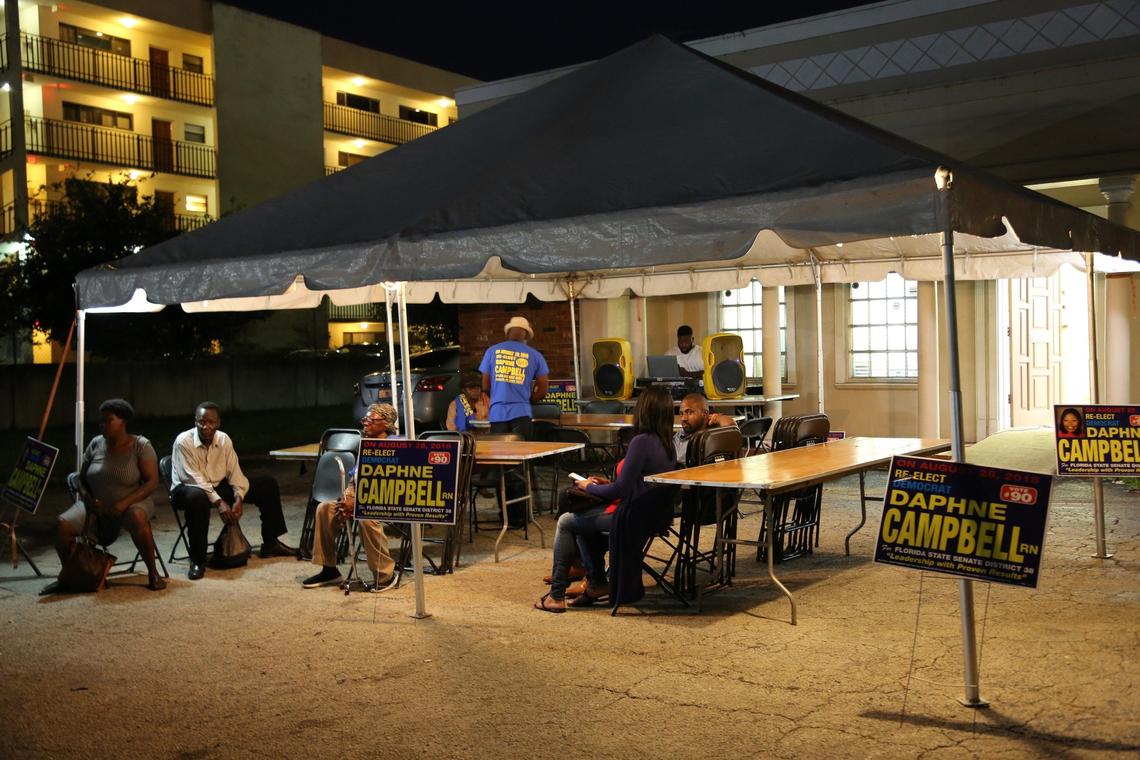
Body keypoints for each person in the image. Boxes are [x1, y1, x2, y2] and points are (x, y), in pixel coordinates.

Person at [534, 385, 677, 613]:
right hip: (650, 515)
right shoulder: (667, 443)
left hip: (630, 516)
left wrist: (588, 486)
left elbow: (620, 491)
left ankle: (556, 595)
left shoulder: (642, 442)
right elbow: (635, 484)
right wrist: (605, 484)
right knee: (581, 519)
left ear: (644, 410)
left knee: (567, 521)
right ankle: (597, 583)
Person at [41, 399, 165, 594]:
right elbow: (80, 479)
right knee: (62, 525)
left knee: (137, 517)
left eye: (108, 420)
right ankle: (75, 575)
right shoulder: (96, 443)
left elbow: (151, 482)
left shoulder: (140, 445)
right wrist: (88, 498)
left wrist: (123, 504)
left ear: (123, 421)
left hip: (132, 502)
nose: (103, 424)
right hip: (95, 505)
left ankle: (153, 572)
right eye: (101, 421)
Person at [170, 401, 297, 580]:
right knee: (197, 498)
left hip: (216, 485)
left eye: (210, 422)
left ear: (218, 423)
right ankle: (197, 560)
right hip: (187, 489)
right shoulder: (184, 441)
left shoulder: (223, 439)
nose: (205, 426)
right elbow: (193, 478)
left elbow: (234, 472)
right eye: (201, 422)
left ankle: (271, 542)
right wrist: (220, 502)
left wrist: (238, 497)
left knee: (266, 484)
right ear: (195, 421)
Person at [302, 403, 399, 590]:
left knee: (365, 519)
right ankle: (329, 569)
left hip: (386, 501)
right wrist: (347, 498)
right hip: (361, 499)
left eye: (372, 420)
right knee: (325, 509)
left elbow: (390, 485)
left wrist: (357, 505)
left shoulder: (396, 446)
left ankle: (386, 575)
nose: (366, 423)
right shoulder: (366, 445)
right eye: (365, 419)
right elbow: (355, 479)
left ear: (386, 424)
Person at [480, 316, 549, 440]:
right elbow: (543, 390)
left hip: (497, 413)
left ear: (508, 333)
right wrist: (528, 400)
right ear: (526, 335)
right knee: (522, 454)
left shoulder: (491, 351)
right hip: (522, 411)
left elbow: (485, 386)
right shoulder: (535, 355)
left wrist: (498, 397)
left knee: (500, 456)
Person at [675, 393, 735, 465]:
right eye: (681, 413)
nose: (683, 418)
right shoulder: (678, 435)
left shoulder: (711, 438)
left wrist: (718, 418)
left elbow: (733, 429)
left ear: (705, 414)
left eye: (689, 412)